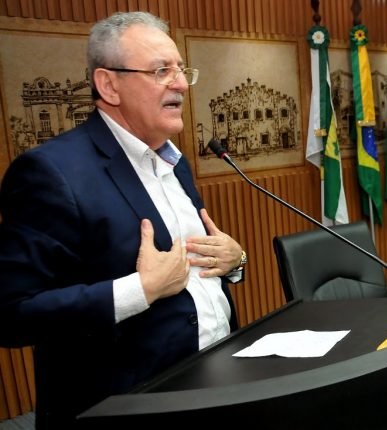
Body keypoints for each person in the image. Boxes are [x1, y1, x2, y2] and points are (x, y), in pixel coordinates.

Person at [0, 12, 246, 428]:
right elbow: (12, 313)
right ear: (109, 85)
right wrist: (140, 290)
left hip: (215, 384)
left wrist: (234, 261)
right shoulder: (51, 173)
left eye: (181, 70)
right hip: (129, 408)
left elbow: (193, 271)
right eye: (161, 71)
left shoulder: (174, 161)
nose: (181, 84)